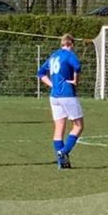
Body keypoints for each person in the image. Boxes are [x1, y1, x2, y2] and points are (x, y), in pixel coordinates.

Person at [37, 34, 84, 169]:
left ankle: (61, 163)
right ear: (71, 44)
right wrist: (75, 80)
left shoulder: (53, 56)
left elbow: (41, 73)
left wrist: (52, 85)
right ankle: (62, 152)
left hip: (54, 96)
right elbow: (77, 66)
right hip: (67, 95)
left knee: (59, 128)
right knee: (78, 126)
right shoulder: (69, 55)